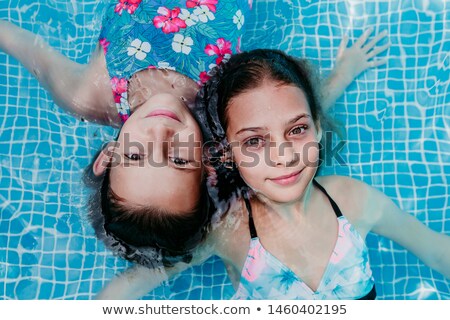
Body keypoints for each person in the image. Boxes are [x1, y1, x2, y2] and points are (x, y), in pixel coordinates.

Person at [0, 0, 388, 268]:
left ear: (108, 155)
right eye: (180, 158)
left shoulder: (85, 96)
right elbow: (286, 114)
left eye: (136, 156)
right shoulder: (222, 108)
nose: (161, 132)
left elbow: (26, 46)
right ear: (207, 162)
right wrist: (343, 74)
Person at [96, 49, 450, 300]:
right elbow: (131, 285)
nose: (284, 158)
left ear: (316, 128)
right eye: (253, 141)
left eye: (298, 131)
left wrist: (343, 72)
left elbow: (436, 251)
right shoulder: (225, 230)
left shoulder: (356, 202)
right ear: (226, 154)